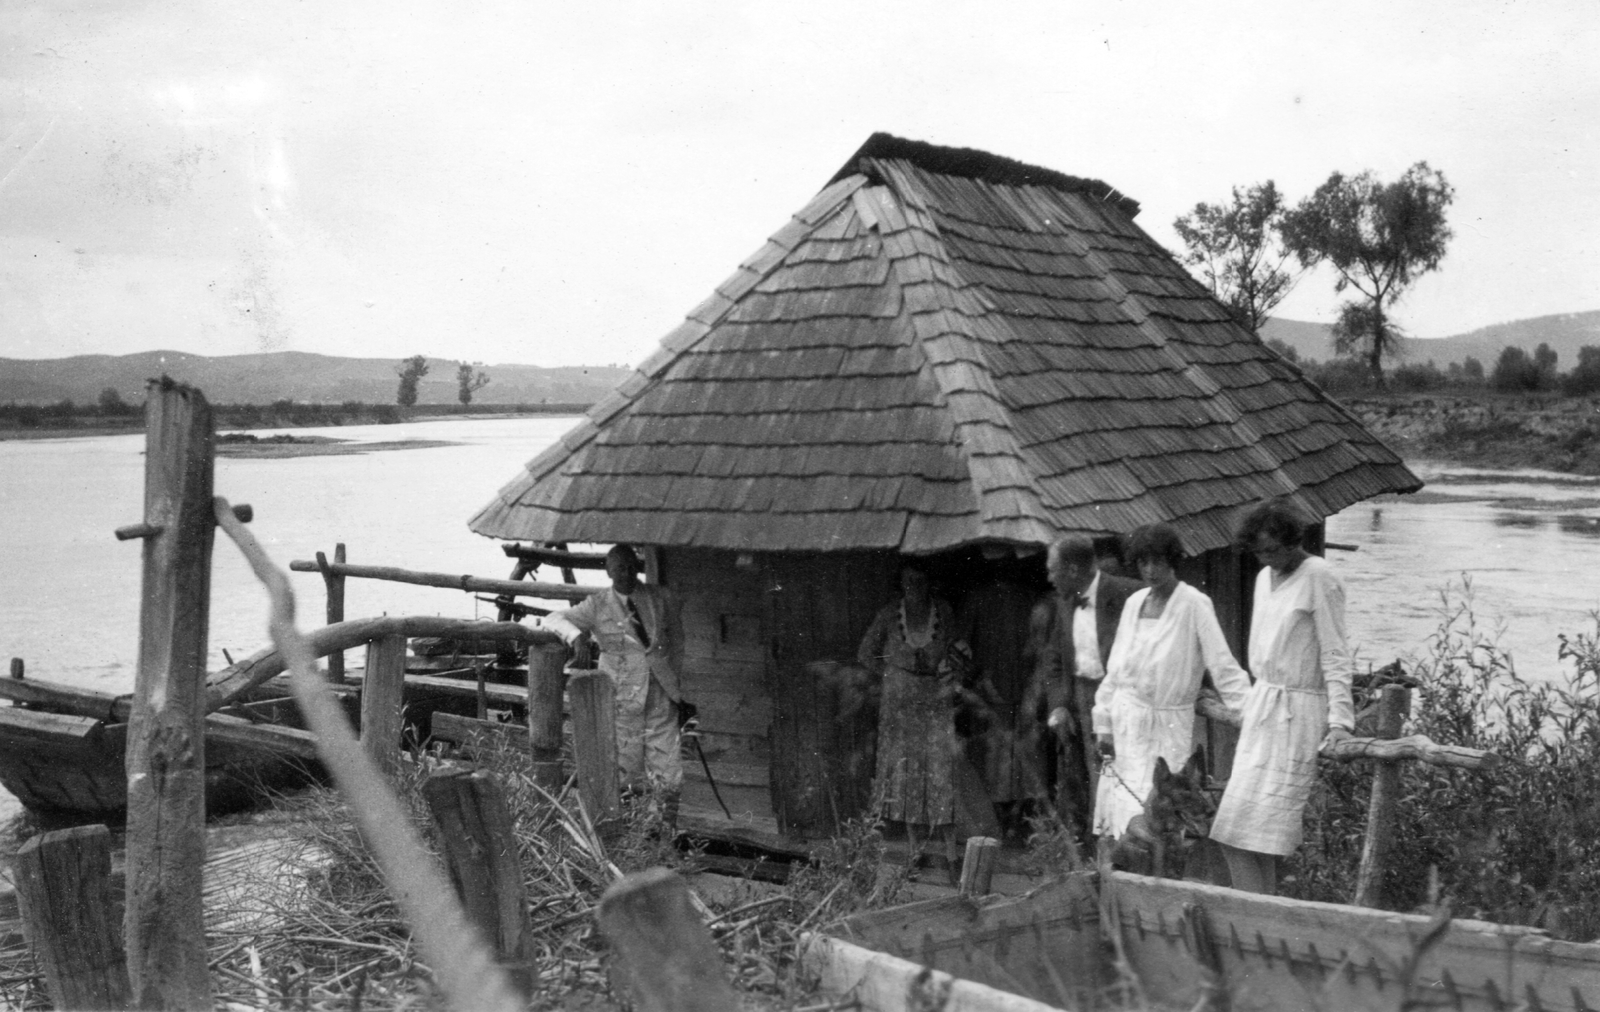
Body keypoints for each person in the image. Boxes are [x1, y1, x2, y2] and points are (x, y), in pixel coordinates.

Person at [1209, 499, 1355, 894]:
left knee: (1258, 836)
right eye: (1259, 552)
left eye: (1273, 550)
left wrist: (1341, 722)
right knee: (1235, 833)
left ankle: (1257, 916)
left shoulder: (1320, 577)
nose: (1267, 559)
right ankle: (1259, 912)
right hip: (1264, 710)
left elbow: (1336, 653)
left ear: (1294, 540)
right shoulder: (1263, 578)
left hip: (1298, 712)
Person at [1092, 523, 1251, 841]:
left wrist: (1253, 713)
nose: (1150, 570)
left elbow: (1224, 667)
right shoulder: (1135, 603)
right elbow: (1116, 673)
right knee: (1123, 824)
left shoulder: (1194, 604)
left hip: (1167, 730)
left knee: (1161, 822)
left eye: (1158, 561)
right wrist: (1104, 724)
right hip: (1126, 729)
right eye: (1143, 562)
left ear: (1173, 561)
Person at [544, 545, 686, 815]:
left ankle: (664, 831)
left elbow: (678, 642)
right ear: (608, 571)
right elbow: (553, 618)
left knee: (669, 770)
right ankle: (632, 834)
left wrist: (675, 679)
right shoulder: (597, 605)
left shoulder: (659, 597)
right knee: (626, 770)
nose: (627, 573)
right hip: (622, 698)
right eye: (620, 567)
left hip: (660, 693)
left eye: (632, 566)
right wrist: (575, 636)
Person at [1026, 535, 1141, 845]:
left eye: (1053, 570)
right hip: (1079, 699)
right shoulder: (1065, 603)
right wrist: (1058, 706)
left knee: (1126, 775)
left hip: (1122, 698)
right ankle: (1096, 856)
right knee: (1088, 782)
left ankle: (1124, 853)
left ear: (1074, 570)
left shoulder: (1129, 593)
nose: (1049, 578)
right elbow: (1054, 660)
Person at [858, 564, 967, 867]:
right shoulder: (889, 614)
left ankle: (951, 855)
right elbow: (865, 653)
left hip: (935, 701)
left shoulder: (942, 611)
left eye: (921, 580)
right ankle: (914, 851)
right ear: (901, 585)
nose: (915, 586)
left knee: (939, 771)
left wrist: (948, 676)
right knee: (907, 774)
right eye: (909, 582)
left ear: (929, 583)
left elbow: (958, 651)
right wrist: (892, 676)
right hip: (900, 705)